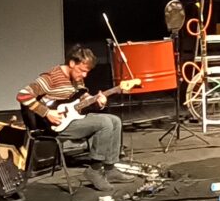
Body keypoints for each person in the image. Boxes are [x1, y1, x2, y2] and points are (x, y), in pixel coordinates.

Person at [17, 44, 137, 192]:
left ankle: (110, 168)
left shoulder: (77, 78)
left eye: (87, 72)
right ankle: (94, 170)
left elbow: (82, 98)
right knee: (105, 123)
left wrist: (98, 101)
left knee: (115, 121)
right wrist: (46, 112)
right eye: (82, 70)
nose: (84, 75)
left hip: (73, 118)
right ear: (72, 63)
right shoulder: (50, 77)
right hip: (53, 125)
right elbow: (23, 95)